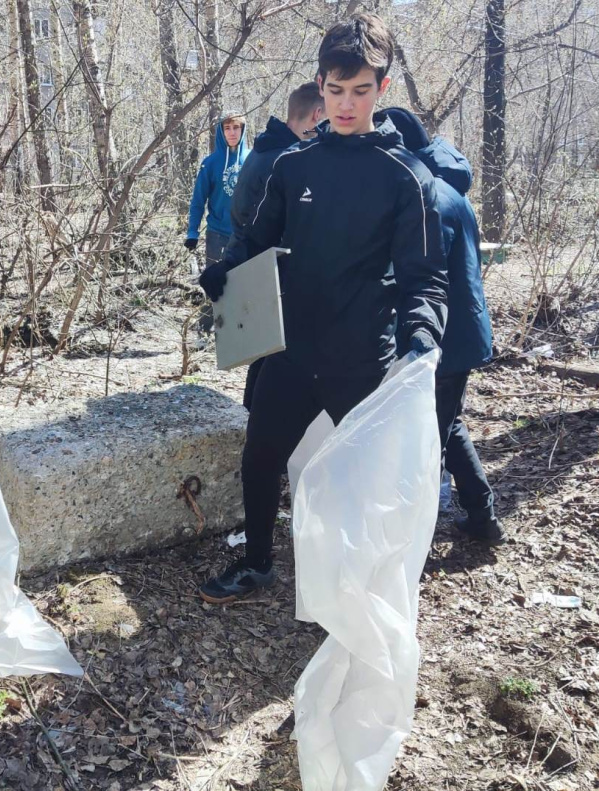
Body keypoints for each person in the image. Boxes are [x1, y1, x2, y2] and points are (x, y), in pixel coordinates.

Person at [196, 13, 448, 603]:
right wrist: (224, 267)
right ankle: (258, 563)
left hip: (360, 357)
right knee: (260, 460)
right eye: (335, 90)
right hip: (291, 350)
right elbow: (256, 240)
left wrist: (421, 334)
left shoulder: (406, 178)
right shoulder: (295, 165)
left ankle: (368, 587)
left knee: (366, 481)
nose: (346, 104)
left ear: (381, 89)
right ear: (320, 85)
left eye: (361, 91)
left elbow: (425, 277)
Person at [384, 107, 503, 545]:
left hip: (445, 337)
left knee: (429, 432)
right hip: (461, 331)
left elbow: (421, 276)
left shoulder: (428, 197)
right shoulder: (447, 185)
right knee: (447, 425)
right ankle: (482, 518)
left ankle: (417, 535)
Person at [228, 81, 327, 410]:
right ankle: (257, 437)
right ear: (317, 114)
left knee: (264, 361)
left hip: (259, 269)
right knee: (274, 366)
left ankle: (251, 428)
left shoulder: (264, 150)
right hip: (272, 275)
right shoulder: (285, 160)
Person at [184, 113, 250, 268]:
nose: (232, 132)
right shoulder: (210, 163)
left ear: (243, 130)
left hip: (246, 235)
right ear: (221, 131)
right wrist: (193, 232)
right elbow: (198, 201)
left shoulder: (253, 159)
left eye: (236, 127)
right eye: (227, 128)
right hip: (217, 235)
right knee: (216, 287)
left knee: (246, 286)